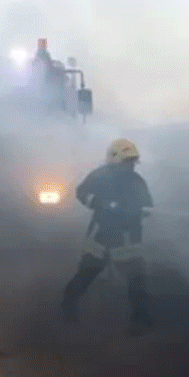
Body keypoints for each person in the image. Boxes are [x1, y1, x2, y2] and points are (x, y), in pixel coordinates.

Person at [61, 138, 154, 334]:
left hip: (127, 238)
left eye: (132, 162)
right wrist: (99, 203)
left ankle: (140, 319)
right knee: (87, 272)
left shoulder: (137, 182)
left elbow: (148, 206)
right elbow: (81, 192)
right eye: (127, 161)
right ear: (115, 159)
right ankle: (67, 307)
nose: (130, 165)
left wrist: (136, 212)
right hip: (101, 236)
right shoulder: (99, 176)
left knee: (136, 278)